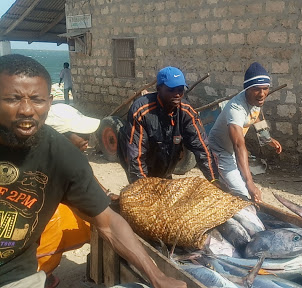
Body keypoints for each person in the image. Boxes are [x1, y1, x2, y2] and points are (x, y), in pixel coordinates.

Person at [0, 54, 186, 288]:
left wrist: (157, 276)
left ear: (49, 102)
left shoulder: (62, 155)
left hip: (15, 277)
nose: (26, 110)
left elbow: (107, 222)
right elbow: (135, 151)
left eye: (36, 100)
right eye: (12, 99)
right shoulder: (142, 109)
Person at [39, 103, 117, 288]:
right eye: (80, 134)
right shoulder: (41, 161)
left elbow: (87, 178)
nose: (87, 139)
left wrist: (107, 194)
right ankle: (38, 273)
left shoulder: (74, 157)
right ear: (58, 137)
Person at [117, 66, 219, 184]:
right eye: (171, 90)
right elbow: (136, 156)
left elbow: (202, 149)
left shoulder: (186, 112)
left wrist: (214, 180)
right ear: (158, 89)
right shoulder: (141, 111)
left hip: (165, 154)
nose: (177, 94)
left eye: (180, 89)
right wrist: (143, 188)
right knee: (145, 193)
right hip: (138, 153)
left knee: (164, 187)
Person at [208, 62, 282, 203]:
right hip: (220, 150)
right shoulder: (235, 109)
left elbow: (255, 117)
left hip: (233, 151)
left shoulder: (255, 101)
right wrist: (249, 182)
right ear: (246, 89)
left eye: (265, 89)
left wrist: (267, 138)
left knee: (240, 187)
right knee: (242, 192)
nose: (262, 94)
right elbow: (239, 145)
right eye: (256, 89)